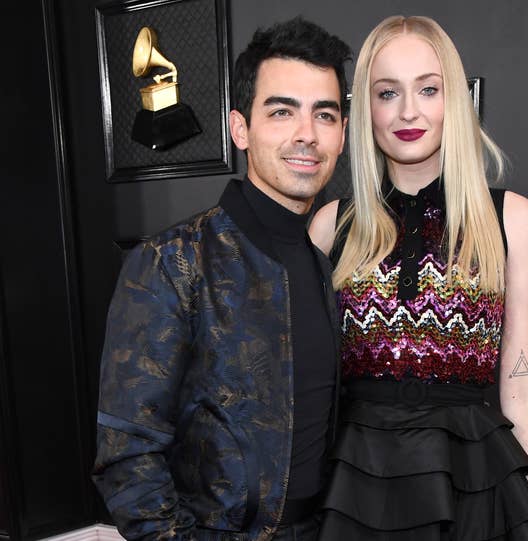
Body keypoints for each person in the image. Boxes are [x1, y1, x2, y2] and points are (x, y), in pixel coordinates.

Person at [92, 17, 351, 541]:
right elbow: (127, 455)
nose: (306, 133)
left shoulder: (322, 265)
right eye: (282, 111)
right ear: (240, 128)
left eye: (325, 114)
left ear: (342, 134)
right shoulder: (172, 261)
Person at [309, 15, 528, 541]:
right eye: (387, 92)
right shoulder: (331, 225)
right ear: (363, 108)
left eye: (428, 89)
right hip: (353, 484)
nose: (408, 111)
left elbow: (523, 382)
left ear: (454, 101)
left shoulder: (512, 220)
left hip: (472, 485)